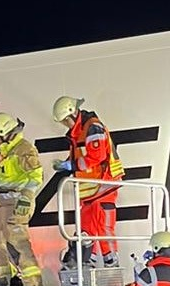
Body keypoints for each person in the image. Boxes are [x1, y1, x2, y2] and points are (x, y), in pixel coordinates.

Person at [51, 96, 126, 268]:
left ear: (72, 114)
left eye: (65, 121)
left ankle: (111, 262)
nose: (64, 124)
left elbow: (96, 156)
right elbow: (84, 156)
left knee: (102, 225)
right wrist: (71, 164)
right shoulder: (80, 131)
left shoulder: (92, 127)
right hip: (91, 188)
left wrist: (71, 165)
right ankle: (86, 260)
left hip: (104, 184)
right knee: (86, 226)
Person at [0, 113, 45, 286]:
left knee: (17, 241)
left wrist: (26, 196)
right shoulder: (6, 151)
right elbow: (2, 180)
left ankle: (34, 285)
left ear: (3, 132)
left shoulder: (23, 149)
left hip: (18, 201)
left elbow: (36, 176)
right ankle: (2, 279)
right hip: (2, 202)